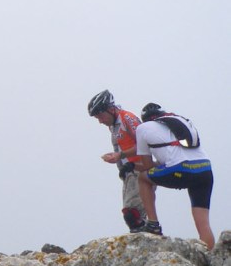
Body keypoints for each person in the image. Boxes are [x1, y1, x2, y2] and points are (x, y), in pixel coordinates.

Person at [135, 103, 215, 250]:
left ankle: (153, 224)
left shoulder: (142, 128)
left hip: (182, 169)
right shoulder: (180, 120)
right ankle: (211, 260)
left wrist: (129, 166)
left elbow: (146, 166)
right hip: (204, 169)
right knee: (203, 224)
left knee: (142, 177)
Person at [87, 90, 155, 234]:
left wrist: (120, 155)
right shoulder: (113, 125)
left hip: (140, 169)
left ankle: (149, 240)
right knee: (131, 216)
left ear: (110, 109)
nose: (100, 121)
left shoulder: (127, 119)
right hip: (128, 172)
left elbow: (145, 144)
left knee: (133, 214)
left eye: (100, 116)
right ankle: (148, 237)